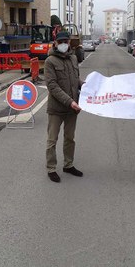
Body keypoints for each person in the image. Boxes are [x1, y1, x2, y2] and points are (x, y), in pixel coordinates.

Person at [44, 31, 84, 183]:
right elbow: (52, 86)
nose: (63, 44)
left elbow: (75, 79)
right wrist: (70, 101)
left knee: (70, 138)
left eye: (66, 41)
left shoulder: (73, 58)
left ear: (69, 42)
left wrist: (84, 84)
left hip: (72, 108)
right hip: (56, 108)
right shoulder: (50, 61)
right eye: (60, 42)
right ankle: (51, 168)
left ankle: (68, 165)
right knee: (52, 140)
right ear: (55, 43)